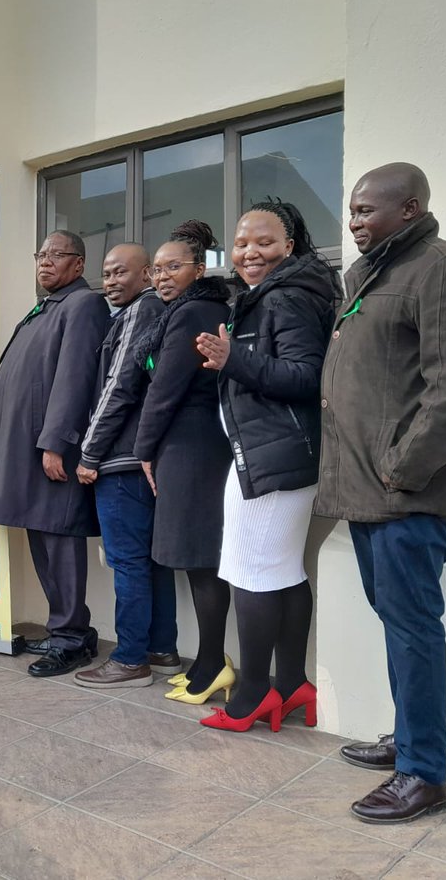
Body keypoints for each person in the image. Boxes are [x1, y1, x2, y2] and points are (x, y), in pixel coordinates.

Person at [315, 163, 446, 824]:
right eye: (352, 211)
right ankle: (410, 739)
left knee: (414, 628)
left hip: (405, 494)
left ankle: (423, 773)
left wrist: (403, 469)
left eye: (367, 211)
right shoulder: (373, 276)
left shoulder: (445, 268)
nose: (356, 222)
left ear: (410, 207)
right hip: (371, 490)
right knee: (401, 625)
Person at [193, 202, 336, 731]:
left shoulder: (289, 297)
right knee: (282, 572)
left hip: (273, 456)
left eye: (265, 242)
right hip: (269, 453)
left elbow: (305, 376)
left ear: (290, 246)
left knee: (251, 574)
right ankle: (292, 682)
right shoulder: (262, 298)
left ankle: (254, 693)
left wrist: (234, 360)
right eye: (242, 242)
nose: (250, 252)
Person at [0, 231, 110, 677]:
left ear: (79, 264)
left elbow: (75, 378)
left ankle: (72, 639)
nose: (46, 262)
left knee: (61, 542)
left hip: (52, 452)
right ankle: (66, 631)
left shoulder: (83, 305)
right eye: (42, 255)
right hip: (27, 452)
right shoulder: (47, 307)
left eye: (57, 255)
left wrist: (56, 442)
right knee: (42, 540)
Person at [131, 220, 233, 706]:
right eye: (156, 269)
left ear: (199, 268)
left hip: (193, 446)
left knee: (202, 559)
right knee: (197, 561)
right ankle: (212, 660)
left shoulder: (196, 311)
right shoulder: (188, 308)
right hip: (191, 444)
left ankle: (213, 663)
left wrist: (144, 448)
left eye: (174, 267)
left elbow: (164, 388)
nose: (162, 276)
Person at [72, 243, 180, 689]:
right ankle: (161, 650)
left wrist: (89, 453)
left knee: (128, 562)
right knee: (153, 561)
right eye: (107, 273)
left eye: (121, 272)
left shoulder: (141, 310)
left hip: (120, 461)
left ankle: (131, 658)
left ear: (147, 276)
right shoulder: (157, 311)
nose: (112, 281)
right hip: (146, 460)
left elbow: (119, 385)